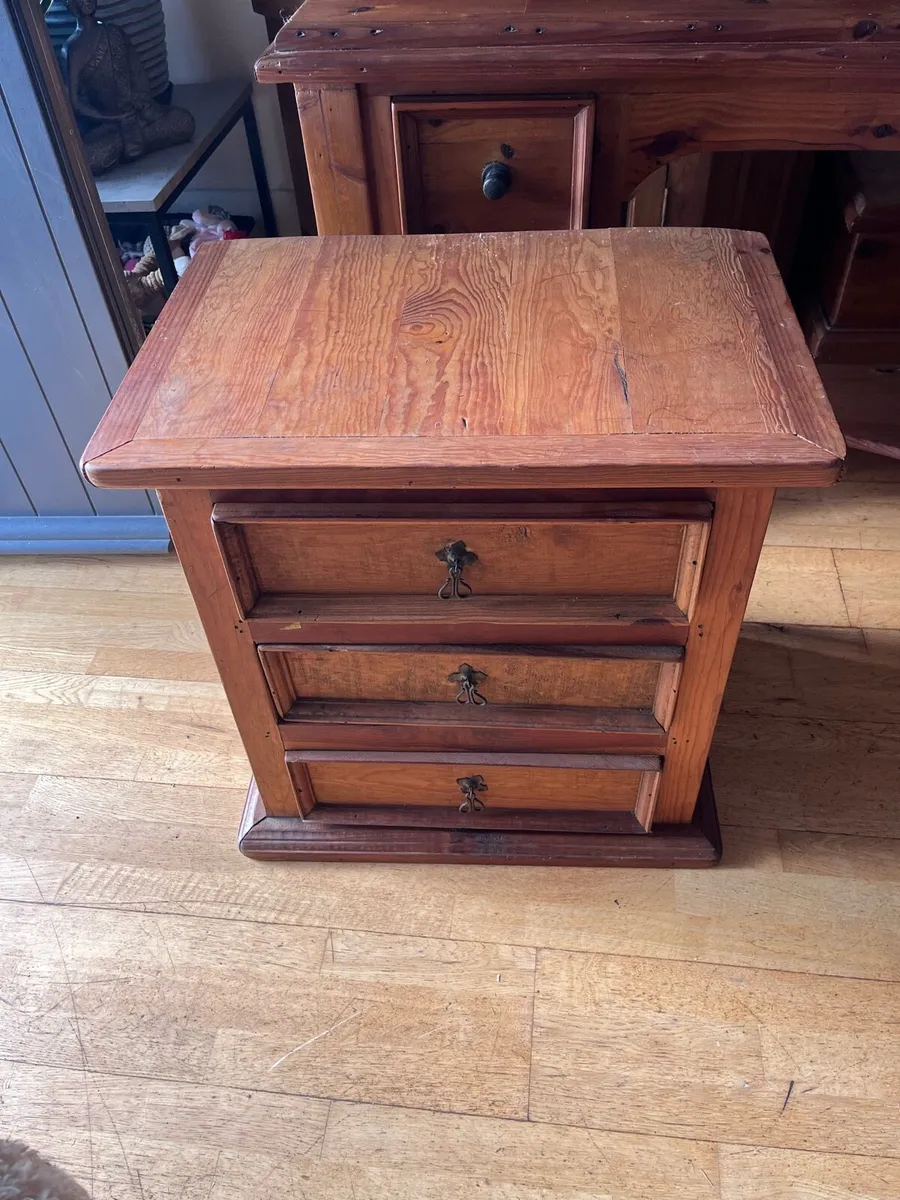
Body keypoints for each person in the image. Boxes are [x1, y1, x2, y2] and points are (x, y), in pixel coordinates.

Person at [62, 0, 194, 174]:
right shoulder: (72, 50)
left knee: (185, 122)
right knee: (89, 158)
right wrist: (113, 117)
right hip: (110, 122)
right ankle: (135, 139)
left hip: (137, 113)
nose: (86, 1)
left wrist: (143, 104)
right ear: (70, 4)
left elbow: (137, 73)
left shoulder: (114, 32)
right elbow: (75, 103)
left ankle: (132, 141)